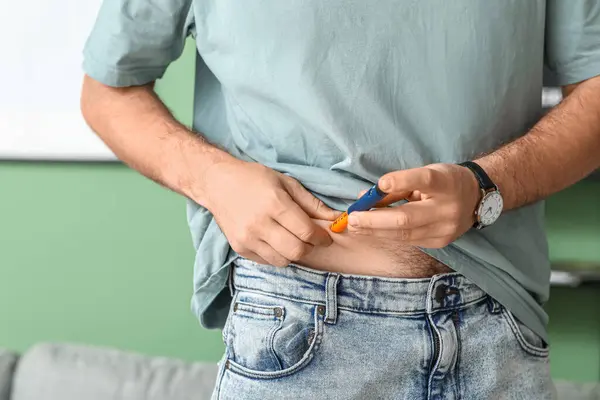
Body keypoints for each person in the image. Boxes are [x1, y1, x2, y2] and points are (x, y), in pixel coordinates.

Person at [80, 1, 600, 398]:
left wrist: (487, 184)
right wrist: (216, 179)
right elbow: (109, 90)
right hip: (297, 322)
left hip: (499, 329)